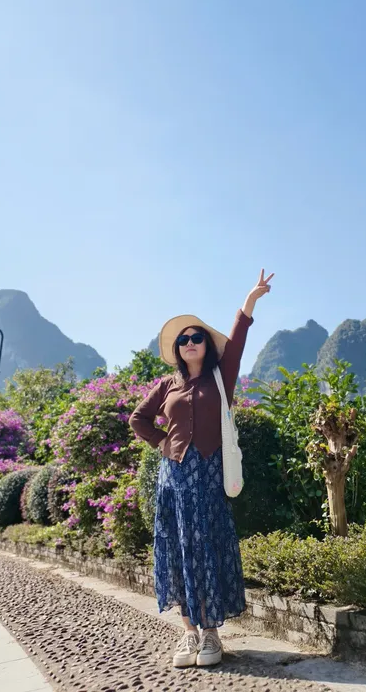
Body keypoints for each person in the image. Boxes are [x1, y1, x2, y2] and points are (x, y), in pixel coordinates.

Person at [129, 269, 274, 669]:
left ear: (206, 345)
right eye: (183, 339)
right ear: (177, 349)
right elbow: (138, 420)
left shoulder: (220, 376)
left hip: (210, 476)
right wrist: (161, 443)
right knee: (178, 549)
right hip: (174, 478)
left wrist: (250, 302)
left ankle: (212, 635)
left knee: (207, 546)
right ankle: (189, 633)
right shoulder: (166, 385)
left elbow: (239, 340)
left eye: (196, 337)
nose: (190, 342)